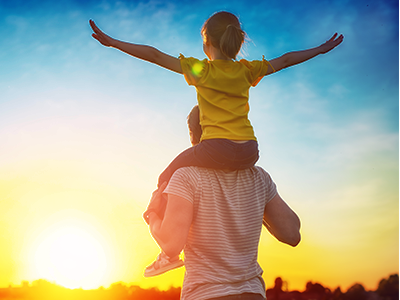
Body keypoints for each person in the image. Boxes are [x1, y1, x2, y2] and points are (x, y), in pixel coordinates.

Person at [89, 11, 343, 275]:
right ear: (236, 41)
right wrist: (321, 49)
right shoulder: (247, 70)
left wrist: (115, 43)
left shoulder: (203, 70)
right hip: (248, 151)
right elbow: (287, 59)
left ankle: (167, 253)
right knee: (190, 168)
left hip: (215, 148)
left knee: (166, 175)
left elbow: (154, 55)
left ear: (206, 42)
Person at [146, 156, 301, 300]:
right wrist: (257, 205)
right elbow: (292, 234)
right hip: (252, 295)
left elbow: (171, 245)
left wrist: (151, 213)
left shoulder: (186, 176)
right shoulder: (258, 177)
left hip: (205, 295)